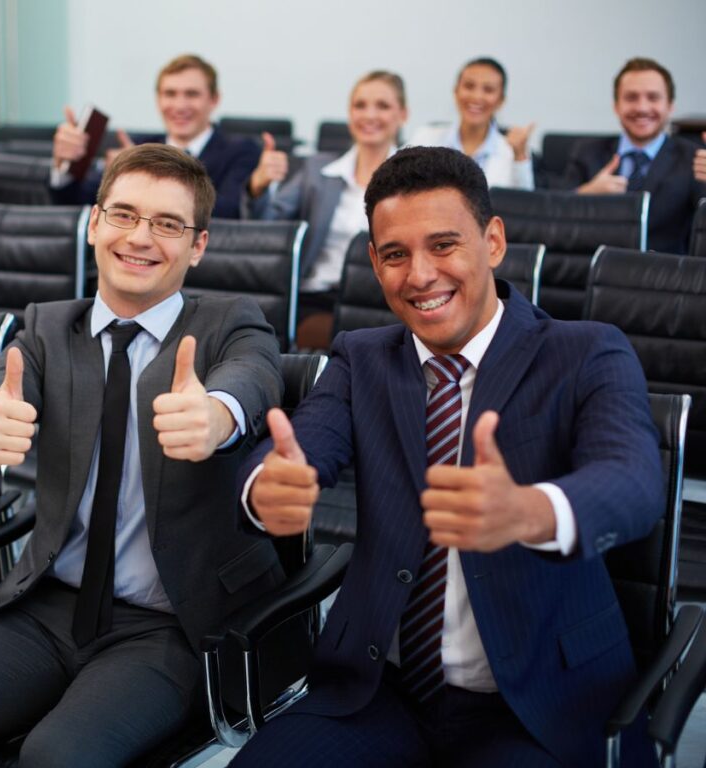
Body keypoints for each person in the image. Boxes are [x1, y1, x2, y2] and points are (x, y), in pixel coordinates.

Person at [0, 144, 284, 767]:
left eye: (167, 224)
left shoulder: (230, 322)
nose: (141, 237)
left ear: (198, 246)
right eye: (124, 214)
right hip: (46, 605)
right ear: (93, 223)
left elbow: (254, 378)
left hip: (171, 623)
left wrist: (217, 415)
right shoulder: (50, 327)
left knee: (58, 759)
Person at [231, 146, 662, 767]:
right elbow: (304, 444)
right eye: (396, 255)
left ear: (493, 241)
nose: (421, 275)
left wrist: (530, 512)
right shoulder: (362, 357)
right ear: (375, 263)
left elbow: (634, 482)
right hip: (379, 692)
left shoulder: (585, 352)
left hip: (535, 706)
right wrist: (268, 484)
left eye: (443, 245)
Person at [245, 70, 408, 348]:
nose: (369, 115)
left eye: (382, 106)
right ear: (349, 113)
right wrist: (258, 186)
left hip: (384, 302)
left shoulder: (413, 175)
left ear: (402, 114)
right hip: (317, 298)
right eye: (360, 105)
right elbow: (266, 228)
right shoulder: (317, 170)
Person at [49, 54, 258, 219]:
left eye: (192, 94)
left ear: (214, 100)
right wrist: (65, 165)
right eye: (170, 94)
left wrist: (141, 174)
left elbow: (228, 212)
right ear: (158, 99)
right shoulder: (137, 145)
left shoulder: (241, 150)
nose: (179, 106)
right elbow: (77, 204)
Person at [564, 57, 706, 254]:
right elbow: (552, 217)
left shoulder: (695, 159)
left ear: (670, 106)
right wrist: (584, 195)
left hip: (665, 277)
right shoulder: (588, 152)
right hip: (596, 274)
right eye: (631, 98)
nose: (642, 108)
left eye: (653, 97)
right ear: (616, 106)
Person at [409, 57, 534, 190]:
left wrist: (519, 156)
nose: (476, 96)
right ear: (456, 92)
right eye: (469, 86)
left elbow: (523, 206)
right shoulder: (424, 138)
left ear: (501, 100)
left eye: (488, 90)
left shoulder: (512, 152)